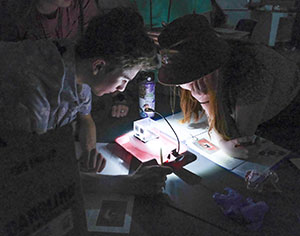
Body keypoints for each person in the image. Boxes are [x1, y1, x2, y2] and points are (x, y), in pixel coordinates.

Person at [0, 7, 172, 195]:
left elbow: (84, 117)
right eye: (123, 80)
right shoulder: (34, 93)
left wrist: (89, 152)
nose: (122, 89)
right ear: (98, 65)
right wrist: (129, 184)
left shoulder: (76, 61)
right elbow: (35, 177)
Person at [157, 14, 300, 159]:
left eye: (186, 76)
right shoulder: (211, 66)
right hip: (257, 108)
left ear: (205, 70)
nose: (181, 84)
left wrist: (205, 99)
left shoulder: (251, 72)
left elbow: (238, 141)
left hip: (289, 114)